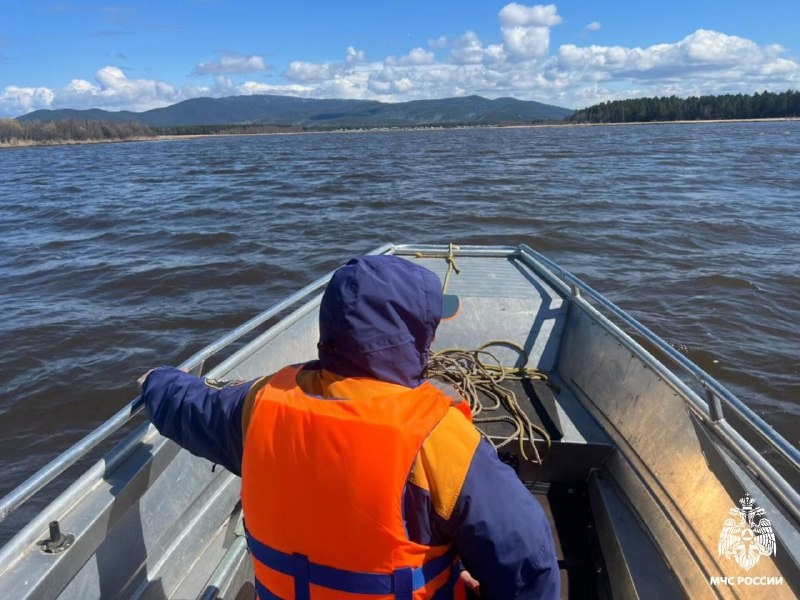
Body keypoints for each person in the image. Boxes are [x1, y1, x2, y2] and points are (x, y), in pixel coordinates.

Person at [139, 254, 559, 599]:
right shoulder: (439, 439)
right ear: (415, 338)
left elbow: (191, 408)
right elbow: (527, 556)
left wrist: (157, 381)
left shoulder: (258, 407)